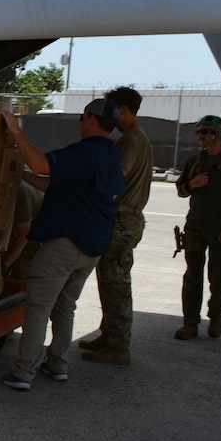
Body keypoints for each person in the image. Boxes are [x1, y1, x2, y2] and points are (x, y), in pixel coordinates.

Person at [0, 101, 125, 391]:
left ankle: (23, 372)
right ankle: (57, 364)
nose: (81, 123)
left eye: (83, 117)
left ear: (92, 120)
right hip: (92, 247)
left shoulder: (85, 152)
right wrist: (21, 175)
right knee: (66, 305)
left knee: (38, 308)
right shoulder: (110, 157)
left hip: (65, 245)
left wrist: (17, 132)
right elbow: (50, 183)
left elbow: (42, 164)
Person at [80, 86, 154, 365]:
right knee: (110, 279)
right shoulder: (135, 138)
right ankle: (109, 335)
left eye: (112, 110)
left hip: (122, 218)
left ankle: (119, 345)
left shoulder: (130, 140)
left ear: (123, 110)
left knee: (116, 283)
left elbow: (116, 176)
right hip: (126, 218)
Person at [173, 115, 221, 340]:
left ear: (219, 133)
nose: (201, 136)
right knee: (192, 277)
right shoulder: (194, 161)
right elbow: (181, 189)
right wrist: (192, 184)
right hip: (196, 227)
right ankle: (190, 323)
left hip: (220, 229)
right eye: (198, 132)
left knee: (219, 276)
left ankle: (216, 317)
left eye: (205, 131)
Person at [2, 179, 44, 280]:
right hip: (23, 227)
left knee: (20, 270)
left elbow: (24, 235)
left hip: (38, 231)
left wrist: (4, 266)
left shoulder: (20, 192)